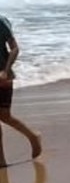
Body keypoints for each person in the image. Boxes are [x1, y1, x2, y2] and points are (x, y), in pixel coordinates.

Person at [0, 14, 42, 167]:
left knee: (4, 116)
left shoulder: (1, 22)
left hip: (3, 75)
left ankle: (33, 136)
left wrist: (5, 70)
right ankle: (1, 160)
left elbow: (15, 48)